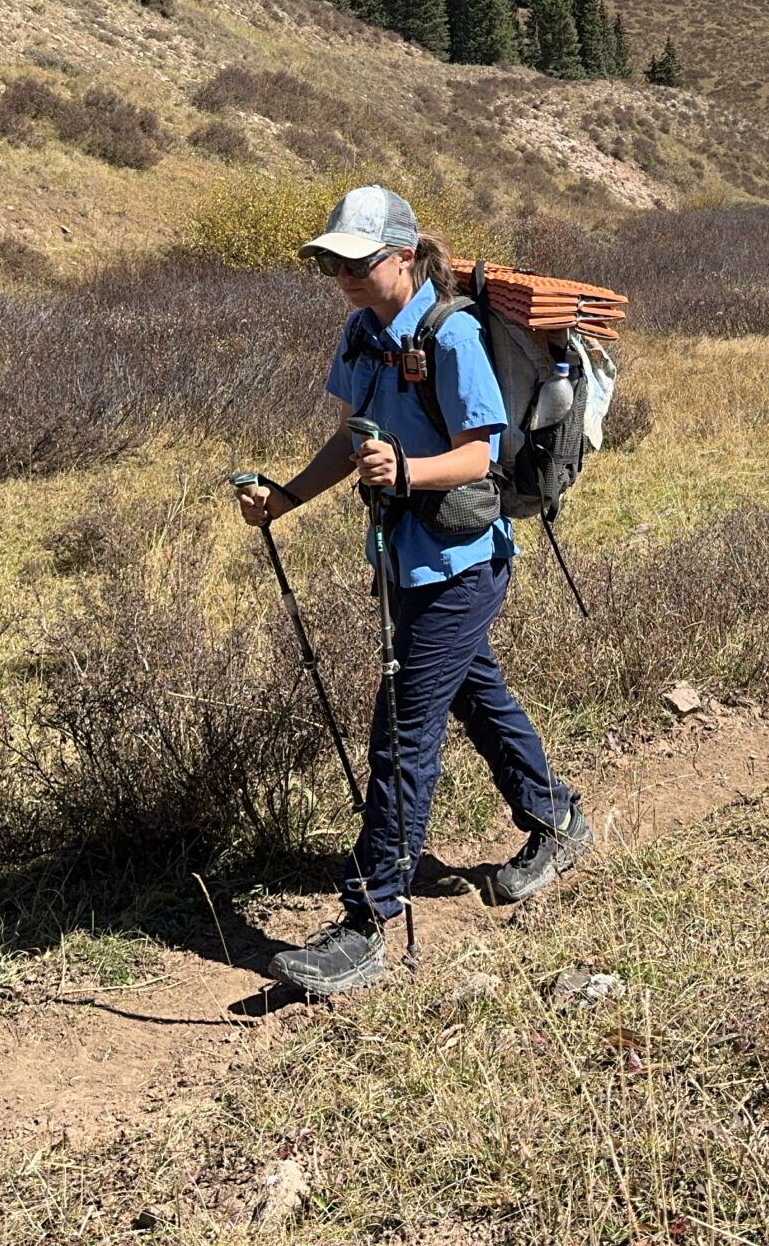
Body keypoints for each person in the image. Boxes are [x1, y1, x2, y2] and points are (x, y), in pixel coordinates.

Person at [240, 183, 593, 997]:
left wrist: (407, 470)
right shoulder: (363, 333)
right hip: (405, 560)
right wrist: (288, 498)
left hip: (465, 563)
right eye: (334, 264)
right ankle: (558, 820)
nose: (346, 277)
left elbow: (482, 455)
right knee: (476, 694)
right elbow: (349, 439)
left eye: (359, 263)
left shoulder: (455, 333)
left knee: (401, 735)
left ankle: (365, 926)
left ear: (403, 255)